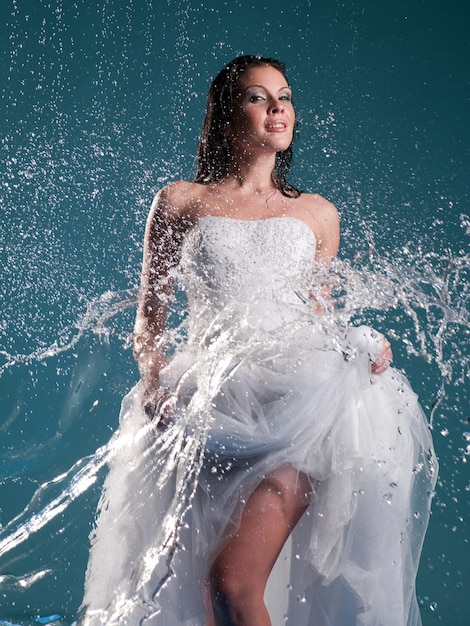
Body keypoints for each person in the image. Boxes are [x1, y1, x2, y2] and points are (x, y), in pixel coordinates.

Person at [80, 55, 437, 626]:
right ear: (226, 119)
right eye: (257, 96)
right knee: (198, 590)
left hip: (301, 408)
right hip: (209, 409)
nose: (277, 107)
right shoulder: (179, 202)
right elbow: (149, 327)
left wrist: (362, 348)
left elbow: (318, 319)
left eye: (286, 97)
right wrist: (155, 386)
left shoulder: (318, 213)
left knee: (232, 582)